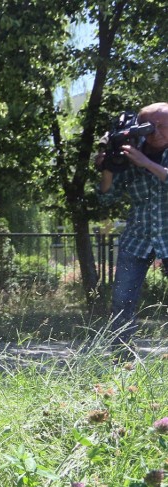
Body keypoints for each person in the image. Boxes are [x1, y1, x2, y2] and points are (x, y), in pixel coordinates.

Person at [96, 102, 168, 356]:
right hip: (137, 238)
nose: (155, 132)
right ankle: (122, 360)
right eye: (149, 126)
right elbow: (106, 198)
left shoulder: (140, 157)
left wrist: (146, 162)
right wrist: (107, 168)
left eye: (162, 126)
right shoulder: (128, 153)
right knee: (122, 302)